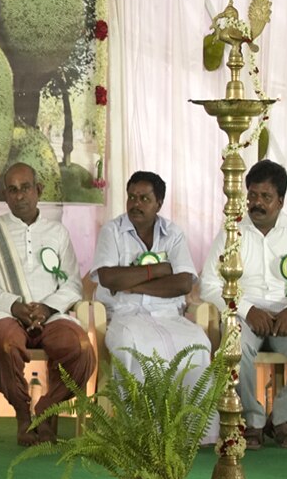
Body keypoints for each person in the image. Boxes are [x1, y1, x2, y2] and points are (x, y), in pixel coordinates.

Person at [200, 160, 287, 450]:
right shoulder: (232, 231)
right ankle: (253, 421)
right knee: (235, 347)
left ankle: (281, 417)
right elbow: (208, 284)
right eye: (252, 196)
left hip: (286, 315)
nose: (256, 203)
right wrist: (247, 310)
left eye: (265, 197)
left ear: (280, 200)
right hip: (243, 315)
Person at [0, 163, 95, 446]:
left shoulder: (57, 233)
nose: (20, 196)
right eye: (13, 190)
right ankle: (22, 413)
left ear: (38, 190)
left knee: (81, 349)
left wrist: (48, 308)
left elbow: (73, 285)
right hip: (8, 313)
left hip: (51, 315)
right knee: (2, 345)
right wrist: (13, 305)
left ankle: (45, 409)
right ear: (5, 196)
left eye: (25, 188)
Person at [91, 171, 216, 442]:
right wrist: (157, 270)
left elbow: (183, 282)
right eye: (132, 197)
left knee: (199, 345)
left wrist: (133, 284)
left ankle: (192, 432)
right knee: (132, 345)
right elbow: (108, 277)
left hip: (169, 314)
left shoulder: (173, 233)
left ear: (159, 203)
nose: (136, 204)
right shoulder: (111, 231)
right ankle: (140, 431)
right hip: (124, 315)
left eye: (144, 199)